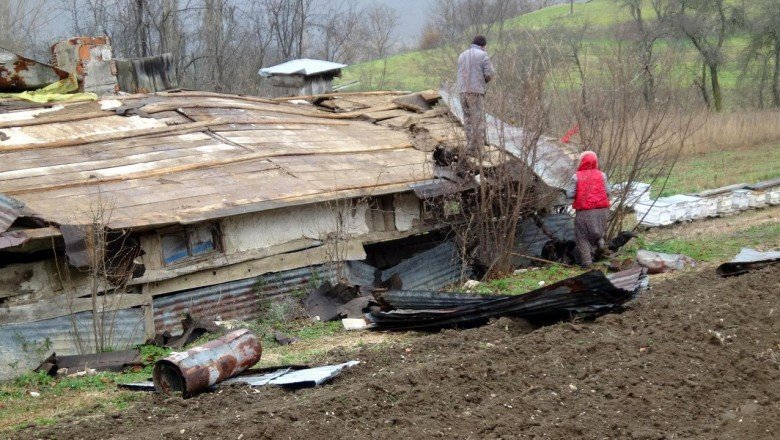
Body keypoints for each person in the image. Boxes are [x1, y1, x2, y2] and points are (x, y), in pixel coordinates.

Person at [456, 35, 496, 175]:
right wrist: (484, 80)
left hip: (462, 92)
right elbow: (489, 73)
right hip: (476, 92)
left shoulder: (461, 55)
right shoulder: (483, 55)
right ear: (483, 45)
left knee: (467, 120)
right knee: (478, 121)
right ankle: (480, 152)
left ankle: (470, 148)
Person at [566, 151, 611, 268]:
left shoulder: (576, 176)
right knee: (598, 232)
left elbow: (570, 194)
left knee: (582, 237)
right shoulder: (602, 175)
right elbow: (608, 192)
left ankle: (587, 264)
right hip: (602, 211)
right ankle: (602, 248)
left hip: (585, 213)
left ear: (582, 161)